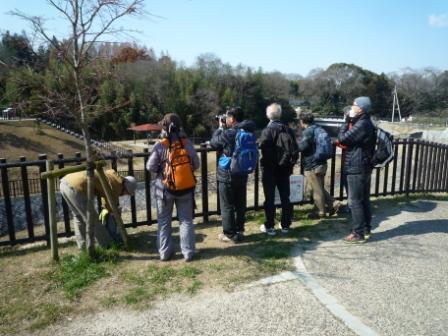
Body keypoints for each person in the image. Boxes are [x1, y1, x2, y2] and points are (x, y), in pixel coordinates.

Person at [147, 113, 200, 261]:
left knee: (164, 222)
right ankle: (188, 252)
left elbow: (150, 166)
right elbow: (196, 164)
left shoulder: (160, 145)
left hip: (164, 190)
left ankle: (164, 253)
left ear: (164, 127)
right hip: (185, 189)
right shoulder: (186, 143)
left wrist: (163, 172)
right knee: (186, 221)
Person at [210, 107, 257, 242]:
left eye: (227, 117)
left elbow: (214, 143)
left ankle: (230, 234)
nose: (225, 119)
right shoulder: (248, 130)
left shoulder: (231, 133)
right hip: (243, 170)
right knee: (240, 202)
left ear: (232, 119)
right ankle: (240, 229)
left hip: (228, 172)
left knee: (227, 204)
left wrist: (220, 128)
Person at [60, 169, 137, 249]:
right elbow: (110, 204)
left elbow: (106, 194)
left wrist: (109, 209)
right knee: (93, 219)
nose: (124, 195)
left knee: (78, 217)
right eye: (126, 193)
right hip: (77, 188)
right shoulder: (117, 186)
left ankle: (83, 247)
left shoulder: (114, 176)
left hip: (65, 183)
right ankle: (108, 246)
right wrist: (114, 212)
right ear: (125, 189)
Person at [337, 96, 377, 243]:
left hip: (357, 166)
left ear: (360, 108)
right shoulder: (365, 122)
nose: (351, 107)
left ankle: (358, 233)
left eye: (353, 105)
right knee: (363, 199)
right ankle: (366, 229)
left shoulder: (362, 124)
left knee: (355, 201)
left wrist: (346, 121)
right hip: (364, 165)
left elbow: (343, 139)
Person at [258, 103, 295, 235]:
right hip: (284, 168)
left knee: (270, 198)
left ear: (268, 115)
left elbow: (261, 145)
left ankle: (270, 226)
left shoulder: (268, 130)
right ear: (280, 114)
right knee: (285, 197)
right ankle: (285, 225)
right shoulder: (287, 129)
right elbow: (294, 149)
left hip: (270, 169)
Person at [298, 111, 341, 219]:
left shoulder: (308, 131)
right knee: (319, 187)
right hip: (322, 163)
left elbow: (302, 147)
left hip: (312, 165)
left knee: (317, 190)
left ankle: (320, 212)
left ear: (302, 121)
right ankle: (334, 204)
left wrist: (294, 146)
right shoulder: (319, 128)